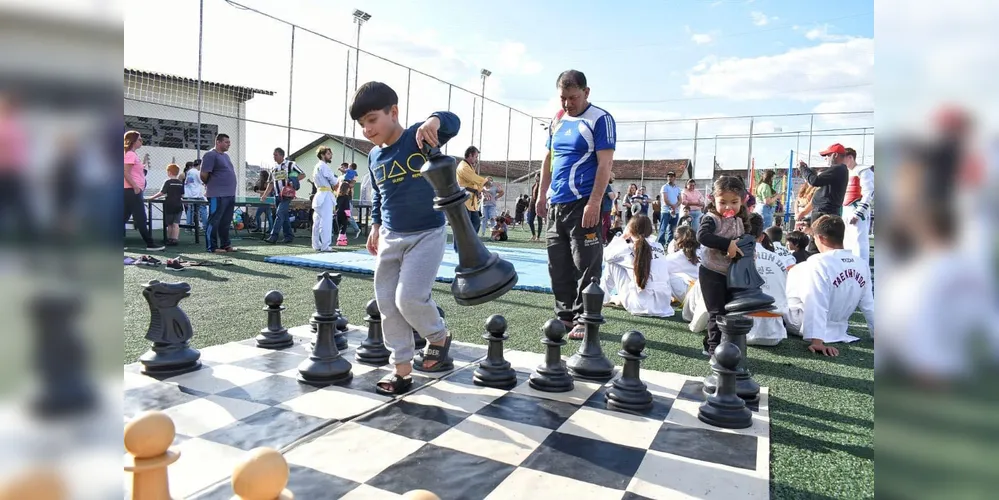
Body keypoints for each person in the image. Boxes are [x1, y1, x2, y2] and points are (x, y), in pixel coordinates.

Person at [352, 81, 460, 395]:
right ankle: (401, 370)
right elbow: (378, 195)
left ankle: (438, 336)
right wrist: (374, 225)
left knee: (408, 298)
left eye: (372, 120)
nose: (367, 129)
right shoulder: (374, 157)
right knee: (387, 302)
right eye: (362, 124)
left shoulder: (418, 135)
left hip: (427, 233)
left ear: (393, 112)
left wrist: (435, 121)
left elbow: (453, 122)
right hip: (390, 234)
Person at [535, 69, 616, 340]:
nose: (568, 103)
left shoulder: (600, 119)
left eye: (573, 97)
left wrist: (594, 203)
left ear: (586, 92)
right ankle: (565, 315)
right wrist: (541, 194)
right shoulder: (557, 119)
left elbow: (605, 165)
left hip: (584, 203)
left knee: (586, 264)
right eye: (563, 98)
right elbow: (549, 158)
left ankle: (585, 317)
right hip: (556, 203)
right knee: (557, 264)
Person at [785, 215, 874, 356]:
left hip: (798, 324)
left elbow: (815, 300)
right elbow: (869, 305)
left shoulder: (818, 262)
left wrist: (817, 341)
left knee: (795, 271)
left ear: (820, 238)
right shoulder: (861, 264)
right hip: (839, 328)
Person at [696, 175, 751, 356]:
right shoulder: (711, 218)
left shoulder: (739, 220)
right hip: (711, 271)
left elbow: (745, 238)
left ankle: (713, 342)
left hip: (731, 272)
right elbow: (702, 236)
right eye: (723, 202)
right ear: (714, 200)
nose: (728, 207)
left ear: (742, 201)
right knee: (717, 311)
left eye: (734, 202)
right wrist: (727, 245)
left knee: (728, 310)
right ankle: (714, 350)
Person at [600, 215, 672, 317]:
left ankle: (602, 297)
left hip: (639, 306)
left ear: (630, 230)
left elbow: (605, 256)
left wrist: (622, 237)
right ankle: (616, 297)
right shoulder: (659, 247)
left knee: (612, 262)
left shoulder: (626, 249)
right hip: (663, 305)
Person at [745, 213, 788, 346]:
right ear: (762, 237)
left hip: (741, 330)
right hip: (775, 333)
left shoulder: (735, 256)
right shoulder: (780, 259)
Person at [798, 143, 849, 252]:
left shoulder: (838, 169)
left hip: (824, 212)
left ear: (835, 155)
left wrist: (803, 169)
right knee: (825, 243)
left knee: (817, 245)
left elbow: (815, 181)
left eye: (827, 155)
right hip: (825, 211)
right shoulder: (839, 170)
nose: (826, 158)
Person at [123, 130, 164, 251]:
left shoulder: (132, 154)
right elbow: (125, 172)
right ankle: (150, 244)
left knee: (123, 217)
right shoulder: (130, 154)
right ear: (133, 141)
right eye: (140, 139)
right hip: (132, 190)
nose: (142, 141)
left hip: (131, 190)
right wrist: (135, 186)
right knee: (141, 217)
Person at [200, 133, 239, 253]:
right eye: (226, 142)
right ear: (218, 142)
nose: (229, 144)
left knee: (226, 221)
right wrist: (211, 185)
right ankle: (212, 247)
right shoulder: (210, 155)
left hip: (229, 194)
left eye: (229, 142)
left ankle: (225, 245)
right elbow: (203, 175)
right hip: (217, 195)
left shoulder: (226, 156)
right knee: (214, 221)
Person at [261, 147, 305, 245]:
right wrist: (265, 195)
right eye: (273, 155)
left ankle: (274, 236)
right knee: (283, 216)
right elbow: (271, 183)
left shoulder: (290, 164)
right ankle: (289, 236)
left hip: (287, 195)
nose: (274, 157)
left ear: (281, 155)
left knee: (279, 214)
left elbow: (302, 174)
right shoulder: (273, 168)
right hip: (277, 195)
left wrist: (292, 180)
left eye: (275, 155)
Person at [841, 147, 874, 264]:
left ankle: (862, 270)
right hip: (845, 210)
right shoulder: (845, 172)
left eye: (842, 158)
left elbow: (868, 193)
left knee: (859, 242)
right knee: (846, 242)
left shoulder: (863, 170)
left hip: (857, 210)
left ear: (850, 157)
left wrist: (858, 213)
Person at [456, 146, 487, 247]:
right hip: (464, 201)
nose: (477, 159)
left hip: (471, 202)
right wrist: (486, 183)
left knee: (476, 223)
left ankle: (470, 245)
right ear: (470, 155)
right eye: (476, 157)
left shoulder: (469, 167)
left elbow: (474, 183)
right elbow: (473, 179)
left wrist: (481, 190)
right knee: (464, 226)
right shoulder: (463, 167)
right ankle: (459, 247)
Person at [147, 163, 185, 246]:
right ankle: (175, 239)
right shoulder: (180, 182)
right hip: (178, 205)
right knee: (176, 223)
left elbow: (162, 192)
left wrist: (152, 197)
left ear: (169, 172)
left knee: (170, 224)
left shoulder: (168, 182)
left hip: (169, 205)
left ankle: (169, 239)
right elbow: (182, 195)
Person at [663, 225, 701, 304]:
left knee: (668, 276)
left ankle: (665, 298)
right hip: (710, 293)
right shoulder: (704, 251)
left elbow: (659, 271)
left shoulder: (675, 257)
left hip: (693, 296)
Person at [311, 146, 338, 252]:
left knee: (317, 221)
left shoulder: (317, 166)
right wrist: (341, 178)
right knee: (326, 221)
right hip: (325, 195)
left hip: (319, 194)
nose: (330, 156)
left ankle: (316, 244)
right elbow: (333, 180)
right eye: (328, 154)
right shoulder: (323, 166)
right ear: (322, 155)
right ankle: (325, 246)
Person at [183, 160, 208, 233]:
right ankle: (205, 227)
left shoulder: (189, 172)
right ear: (200, 165)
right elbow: (203, 181)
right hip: (197, 194)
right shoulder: (197, 172)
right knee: (203, 209)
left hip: (190, 194)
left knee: (190, 210)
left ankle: (188, 227)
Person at [659, 171, 682, 246]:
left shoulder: (678, 188)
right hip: (666, 211)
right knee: (663, 228)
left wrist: (675, 206)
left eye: (671, 176)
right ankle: (660, 244)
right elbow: (665, 200)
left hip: (675, 211)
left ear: (674, 178)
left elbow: (680, 200)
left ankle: (670, 244)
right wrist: (672, 206)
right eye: (668, 176)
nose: (670, 178)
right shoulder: (664, 187)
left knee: (673, 229)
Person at [526, 172, 543, 241]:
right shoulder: (534, 185)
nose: (535, 178)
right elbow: (532, 196)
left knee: (539, 221)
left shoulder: (542, 185)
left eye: (536, 176)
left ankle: (538, 237)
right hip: (532, 205)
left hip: (539, 205)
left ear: (539, 177)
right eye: (535, 176)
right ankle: (533, 235)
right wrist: (528, 206)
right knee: (530, 220)